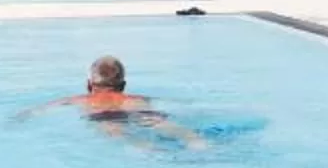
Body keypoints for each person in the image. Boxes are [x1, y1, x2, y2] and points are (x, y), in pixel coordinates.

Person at [21, 56, 203, 146]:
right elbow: (180, 103)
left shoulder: (79, 99)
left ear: (89, 84)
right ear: (123, 85)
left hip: (105, 116)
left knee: (126, 138)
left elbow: (38, 110)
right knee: (181, 132)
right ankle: (199, 145)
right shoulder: (137, 98)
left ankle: (148, 151)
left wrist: (21, 116)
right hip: (142, 113)